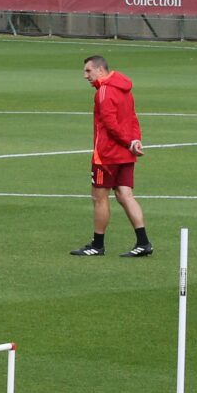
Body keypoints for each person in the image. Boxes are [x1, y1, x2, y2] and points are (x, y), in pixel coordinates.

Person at [70, 55, 152, 258]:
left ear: (100, 70)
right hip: (126, 153)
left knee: (99, 197)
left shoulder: (104, 92)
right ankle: (144, 243)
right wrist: (135, 141)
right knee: (125, 195)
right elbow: (132, 117)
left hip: (107, 155)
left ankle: (97, 245)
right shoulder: (125, 89)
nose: (85, 76)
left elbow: (110, 124)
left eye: (88, 71)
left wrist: (127, 141)